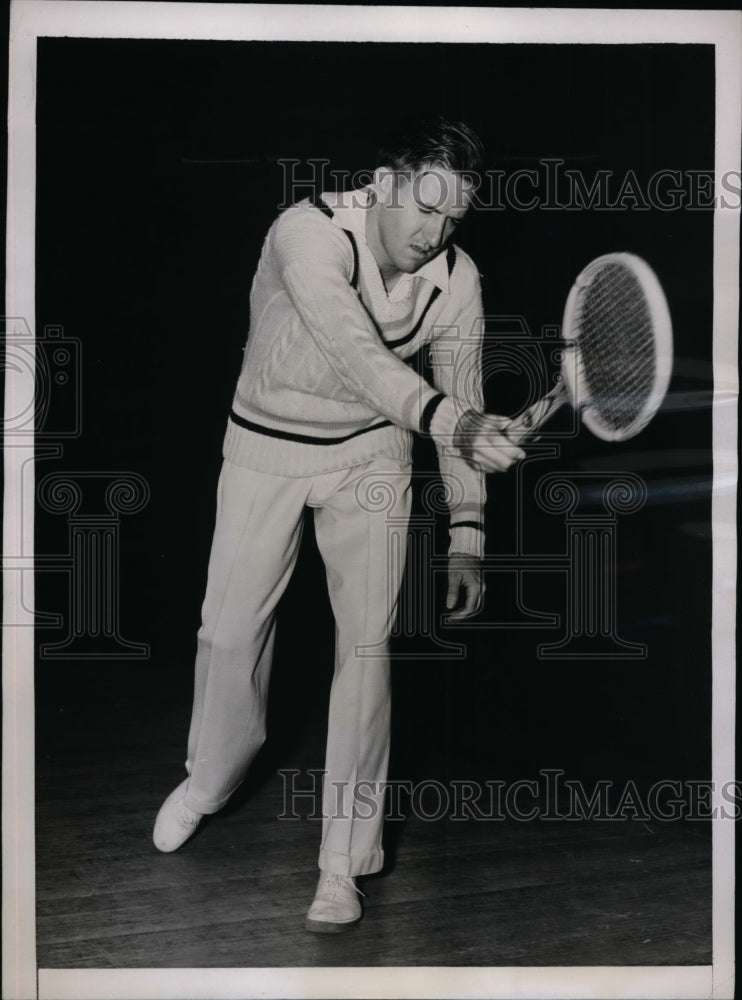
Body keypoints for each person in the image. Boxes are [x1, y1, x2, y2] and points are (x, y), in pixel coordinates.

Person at [153, 116, 525, 933]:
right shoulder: (305, 231)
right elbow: (356, 350)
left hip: (372, 458)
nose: (434, 233)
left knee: (367, 652)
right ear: (384, 184)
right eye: (424, 207)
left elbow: (458, 391)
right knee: (228, 632)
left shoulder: (456, 279)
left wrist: (467, 527)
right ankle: (209, 781)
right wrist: (451, 425)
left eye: (453, 217)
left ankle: (342, 866)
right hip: (265, 449)